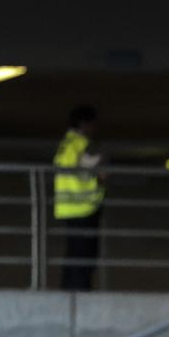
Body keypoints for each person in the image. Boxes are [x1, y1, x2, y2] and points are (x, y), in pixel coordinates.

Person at [54, 105, 104, 291]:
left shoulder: (65, 145)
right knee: (85, 257)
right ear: (85, 124)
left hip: (68, 208)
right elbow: (97, 174)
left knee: (73, 254)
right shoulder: (83, 145)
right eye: (93, 124)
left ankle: (69, 290)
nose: (95, 128)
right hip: (84, 208)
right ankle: (81, 291)